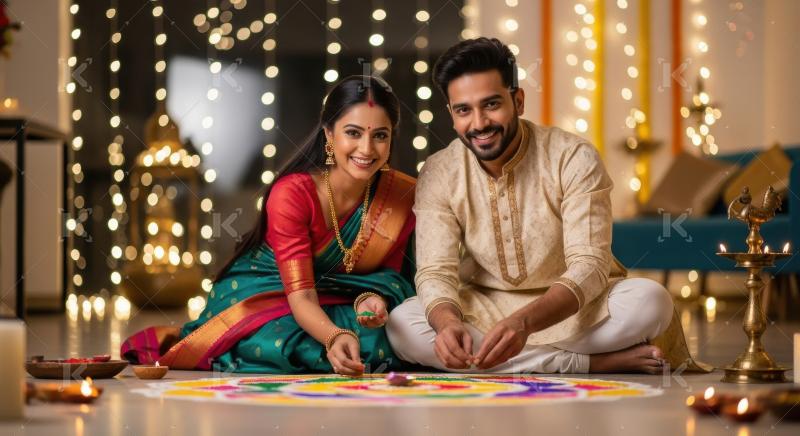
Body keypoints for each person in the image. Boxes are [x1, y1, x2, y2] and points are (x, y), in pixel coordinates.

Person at [386, 38, 709, 374]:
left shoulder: (572, 157)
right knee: (402, 324)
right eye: (463, 110)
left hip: (578, 310)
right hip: (485, 309)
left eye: (491, 104)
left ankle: (516, 361)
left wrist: (524, 323)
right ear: (451, 115)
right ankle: (589, 363)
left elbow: (590, 264)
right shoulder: (440, 171)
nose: (479, 123)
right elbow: (436, 270)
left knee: (650, 302)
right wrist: (447, 323)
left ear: (518, 100)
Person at [122, 76, 417, 376]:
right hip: (269, 295)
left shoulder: (400, 196)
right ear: (328, 135)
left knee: (392, 332)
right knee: (279, 343)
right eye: (352, 133)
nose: (366, 149)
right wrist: (333, 335)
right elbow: (302, 295)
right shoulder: (293, 194)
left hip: (344, 300)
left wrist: (372, 302)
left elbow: (387, 280)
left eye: (380, 135)